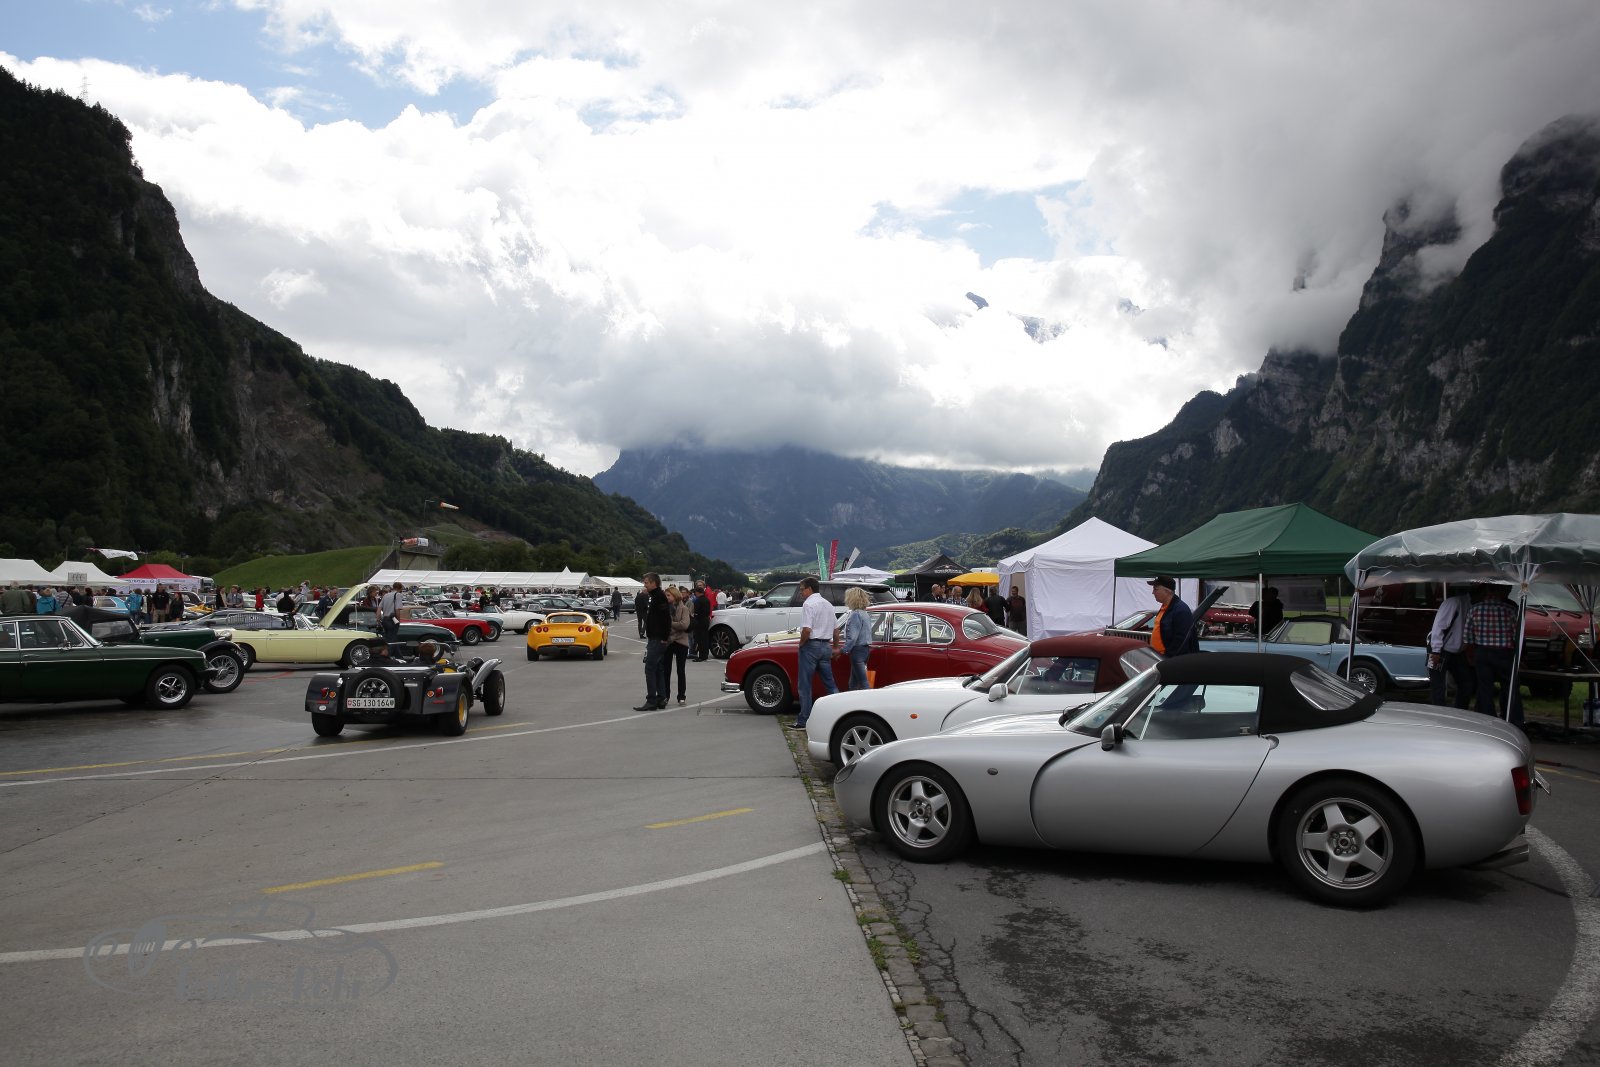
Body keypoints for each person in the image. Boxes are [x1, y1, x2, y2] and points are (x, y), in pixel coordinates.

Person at [787, 577, 840, 730]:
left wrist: (801, 643)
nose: (801, 593)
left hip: (811, 645)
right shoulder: (828, 604)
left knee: (805, 685)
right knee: (829, 683)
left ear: (809, 589)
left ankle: (804, 720)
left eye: (802, 589)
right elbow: (836, 630)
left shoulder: (808, 604)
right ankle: (839, 713)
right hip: (826, 645)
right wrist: (835, 647)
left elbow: (807, 629)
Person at [1466, 584, 1522, 725]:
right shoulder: (1510, 609)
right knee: (1509, 686)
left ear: (1487, 591)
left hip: (1482, 651)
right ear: (1501, 591)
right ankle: (1513, 719)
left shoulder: (1474, 609)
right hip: (1504, 652)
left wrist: (1471, 655)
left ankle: (1487, 719)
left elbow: (1467, 636)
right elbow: (1517, 636)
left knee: (1485, 687)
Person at [1426, 587, 1475, 709]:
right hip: (1439, 648)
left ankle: (1459, 709)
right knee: (1438, 684)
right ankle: (1439, 710)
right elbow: (1439, 626)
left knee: (1465, 682)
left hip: (1456, 650)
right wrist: (1436, 650)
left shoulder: (1468, 604)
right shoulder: (1454, 602)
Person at [634, 573, 672, 711]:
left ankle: (651, 700)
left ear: (654, 583)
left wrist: (664, 637)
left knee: (650, 668)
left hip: (657, 639)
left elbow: (666, 619)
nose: (645, 585)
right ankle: (661, 698)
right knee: (658, 669)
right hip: (656, 638)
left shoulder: (659, 597)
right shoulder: (656, 596)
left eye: (646, 582)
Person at [1148, 577, 1198, 657]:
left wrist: (1168, 657)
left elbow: (1182, 639)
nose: (1153, 592)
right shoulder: (1165, 607)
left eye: (1155, 589)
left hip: (1171, 660)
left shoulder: (1181, 609)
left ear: (1167, 591)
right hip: (1159, 657)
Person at [840, 586, 874, 691]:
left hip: (857, 650)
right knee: (854, 682)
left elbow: (852, 637)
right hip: (865, 649)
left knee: (863, 682)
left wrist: (843, 650)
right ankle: (854, 696)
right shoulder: (864, 614)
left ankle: (867, 699)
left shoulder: (855, 614)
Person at [666, 586, 692, 705]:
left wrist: (670, 624)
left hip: (681, 642)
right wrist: (675, 625)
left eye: (668, 595)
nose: (667, 597)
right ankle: (665, 695)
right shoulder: (665, 608)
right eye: (666, 595)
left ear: (675, 596)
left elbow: (684, 625)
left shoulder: (684, 608)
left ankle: (681, 696)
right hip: (669, 641)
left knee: (680, 670)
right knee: (666, 670)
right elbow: (663, 625)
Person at [378, 581, 404, 646]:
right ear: (400, 588)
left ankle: (395, 652)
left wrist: (378, 619)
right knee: (392, 639)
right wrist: (398, 621)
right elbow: (397, 609)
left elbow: (379, 608)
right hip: (392, 619)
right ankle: (389, 651)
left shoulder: (386, 595)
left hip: (385, 619)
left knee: (388, 638)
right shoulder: (398, 595)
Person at [690, 583, 712, 661]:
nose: (695, 594)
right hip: (706, 620)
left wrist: (694, 620)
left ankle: (700, 656)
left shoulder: (698, 601)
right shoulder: (707, 600)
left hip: (699, 621)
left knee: (699, 639)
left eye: (695, 592)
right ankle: (705, 655)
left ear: (697, 592)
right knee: (705, 638)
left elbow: (696, 612)